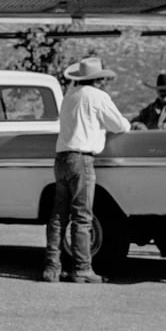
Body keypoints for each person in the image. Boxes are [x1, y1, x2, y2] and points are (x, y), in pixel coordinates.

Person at [41, 56, 130, 284]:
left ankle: (52, 266)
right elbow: (119, 125)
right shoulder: (98, 97)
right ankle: (82, 268)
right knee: (82, 216)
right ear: (98, 79)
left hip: (62, 157)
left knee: (58, 215)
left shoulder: (69, 97)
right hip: (82, 158)